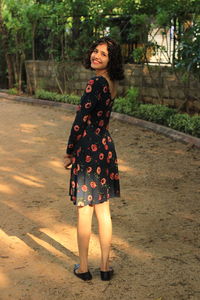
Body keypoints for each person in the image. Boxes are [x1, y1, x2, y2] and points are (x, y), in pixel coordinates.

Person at [64, 36, 124, 281]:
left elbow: (81, 120)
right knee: (104, 212)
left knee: (85, 212)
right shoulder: (110, 83)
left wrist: (69, 150)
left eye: (103, 54)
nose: (96, 56)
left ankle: (84, 268)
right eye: (95, 51)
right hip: (105, 146)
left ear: (111, 60)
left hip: (88, 148)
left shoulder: (95, 82)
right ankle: (106, 268)